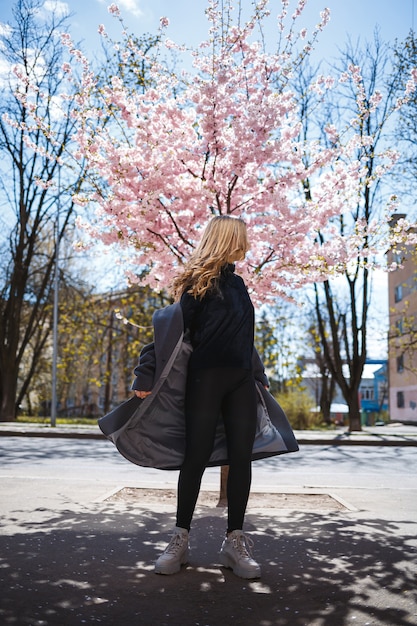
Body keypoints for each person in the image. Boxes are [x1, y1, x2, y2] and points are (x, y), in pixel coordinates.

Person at [134, 215, 264, 579]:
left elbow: (244, 337)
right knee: (196, 457)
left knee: (242, 458)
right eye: (242, 236)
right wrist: (144, 372)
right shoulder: (196, 284)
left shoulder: (239, 285)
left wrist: (259, 374)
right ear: (227, 239)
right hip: (204, 379)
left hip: (240, 382)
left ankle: (233, 543)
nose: (247, 242)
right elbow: (165, 330)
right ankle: (179, 540)